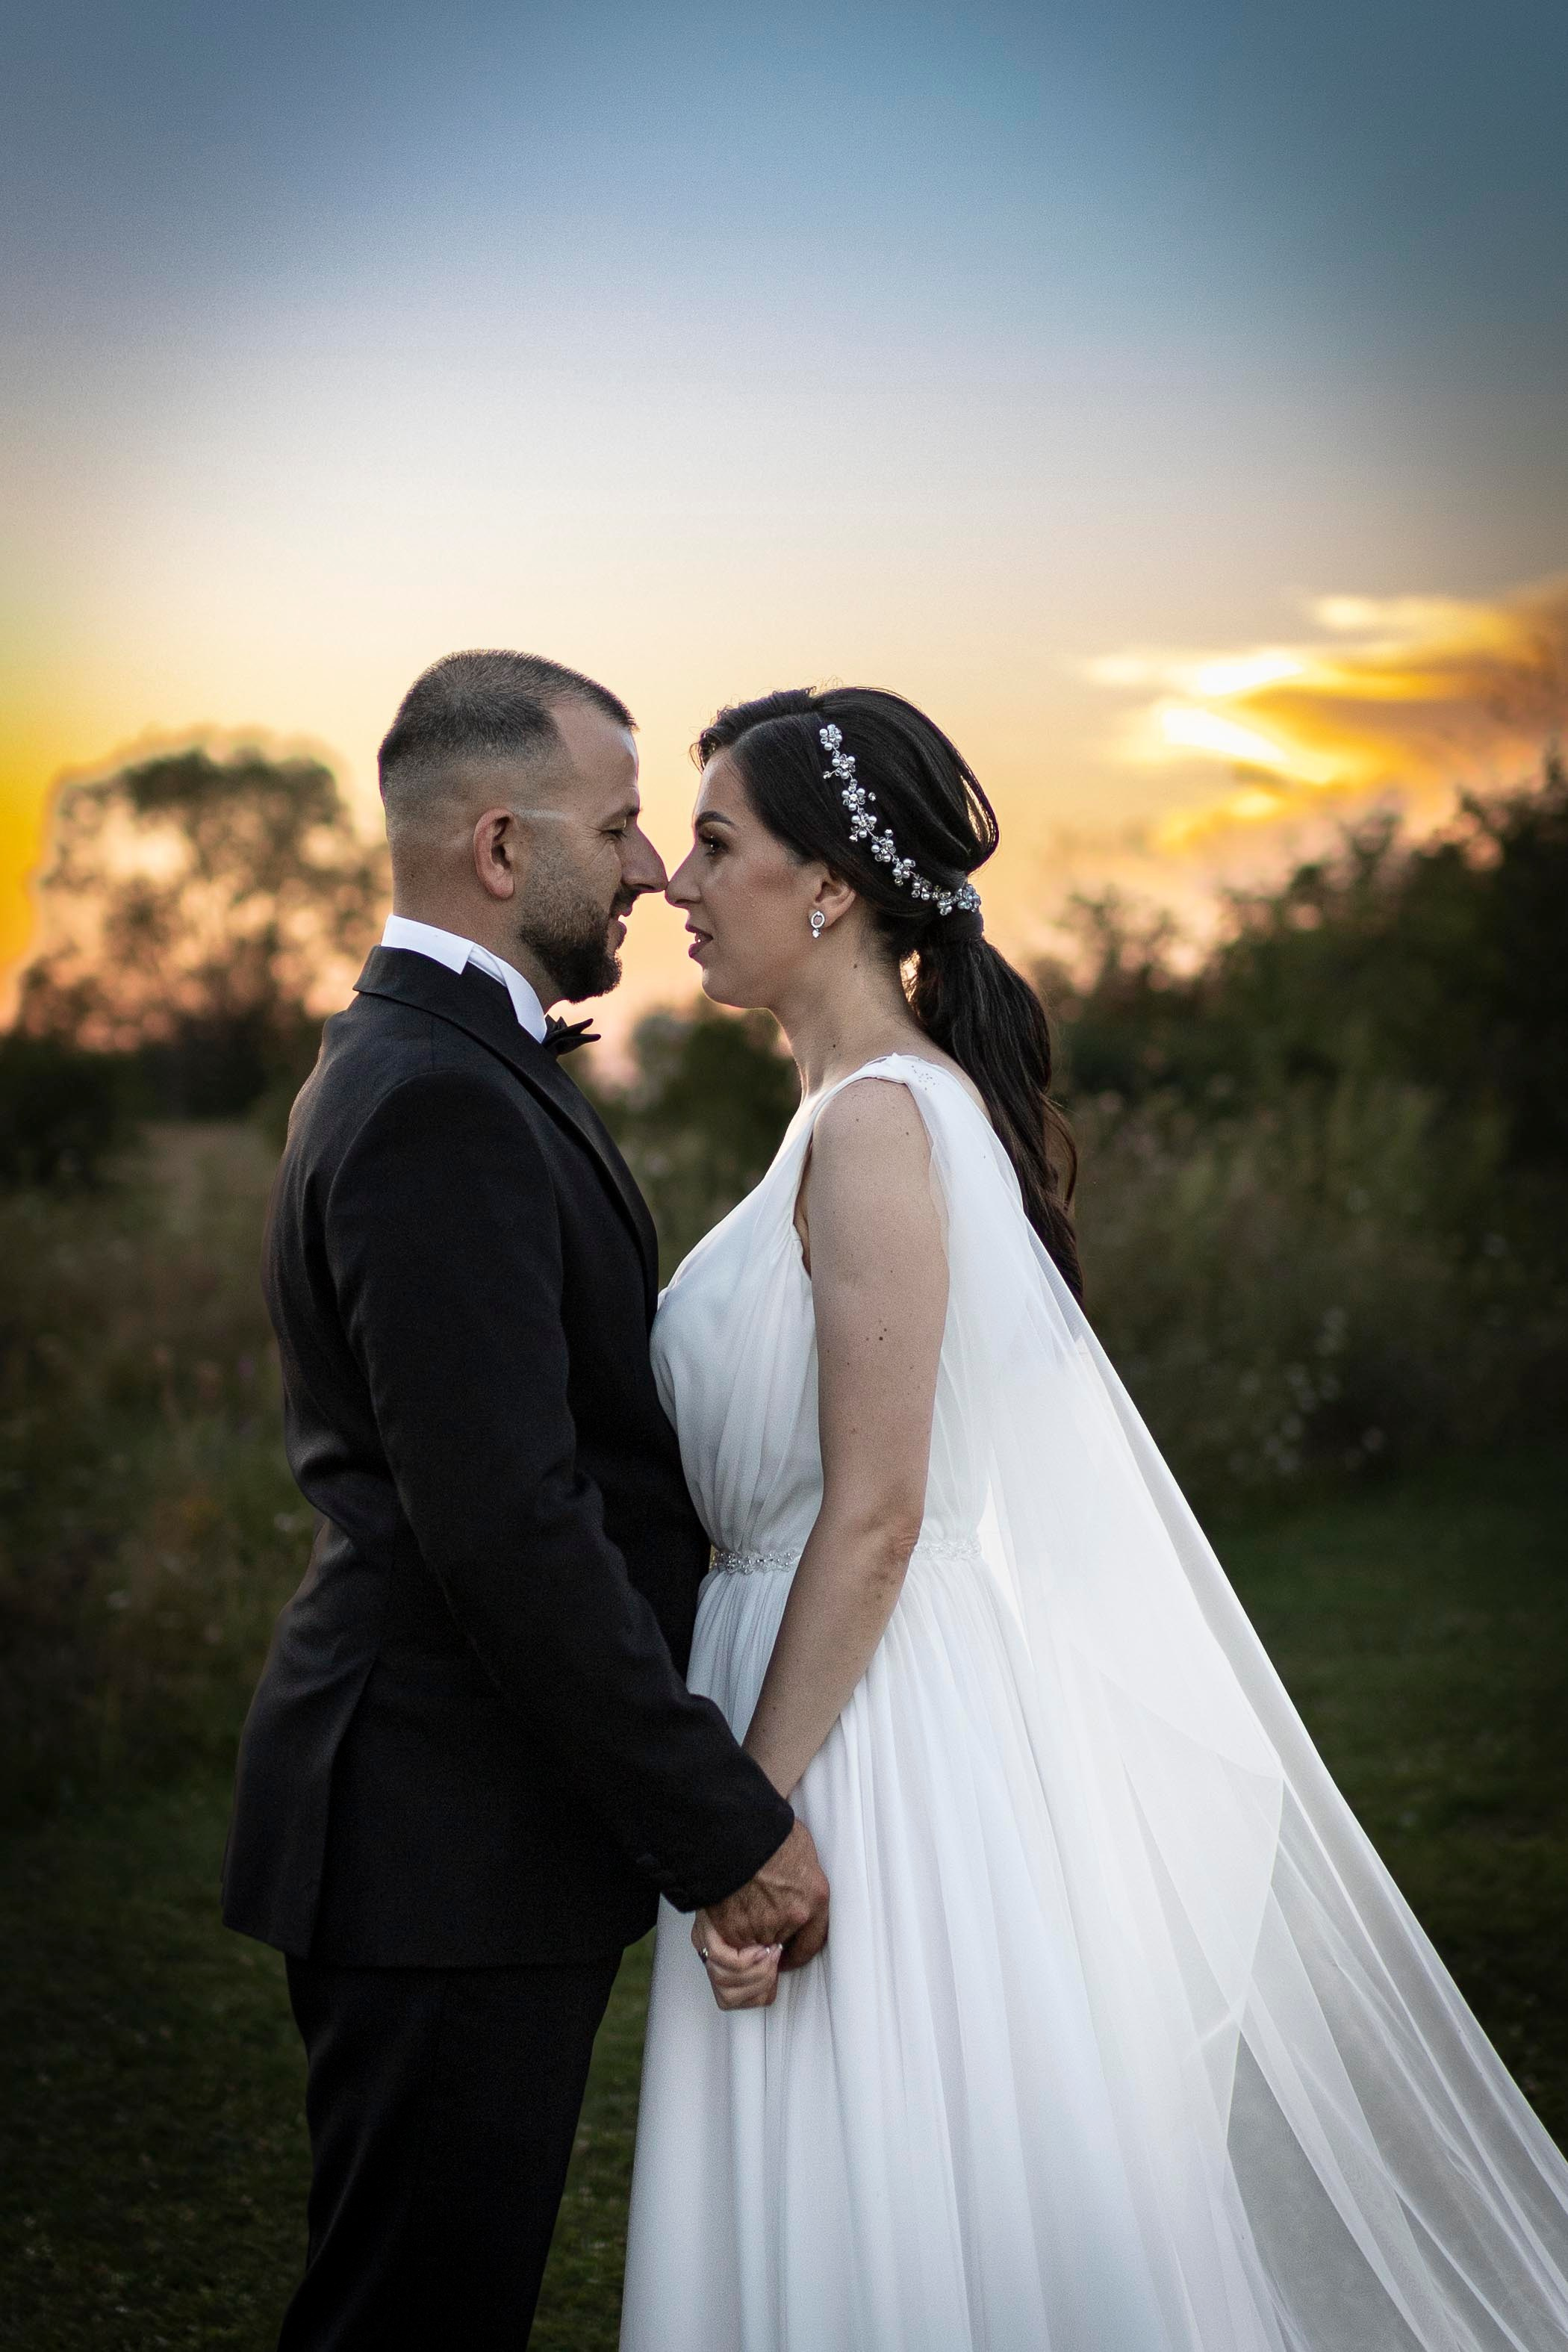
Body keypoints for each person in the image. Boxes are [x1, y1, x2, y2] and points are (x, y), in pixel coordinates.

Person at [621, 684, 1568, 2351]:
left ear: (829, 882)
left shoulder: (881, 1124)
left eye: (714, 843)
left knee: (886, 2189)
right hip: (824, 1690)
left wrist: (744, 1823)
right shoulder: (852, 1114)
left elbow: (880, 1514)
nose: (673, 884)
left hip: (857, 1736)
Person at [223, 650, 829, 2351]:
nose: (649, 867)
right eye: (619, 825)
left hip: (452, 1816)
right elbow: (508, 1526)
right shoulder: (435, 1097)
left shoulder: (425, 1059)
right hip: (440, 1828)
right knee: (414, 2316)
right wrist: (724, 1827)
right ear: (502, 846)